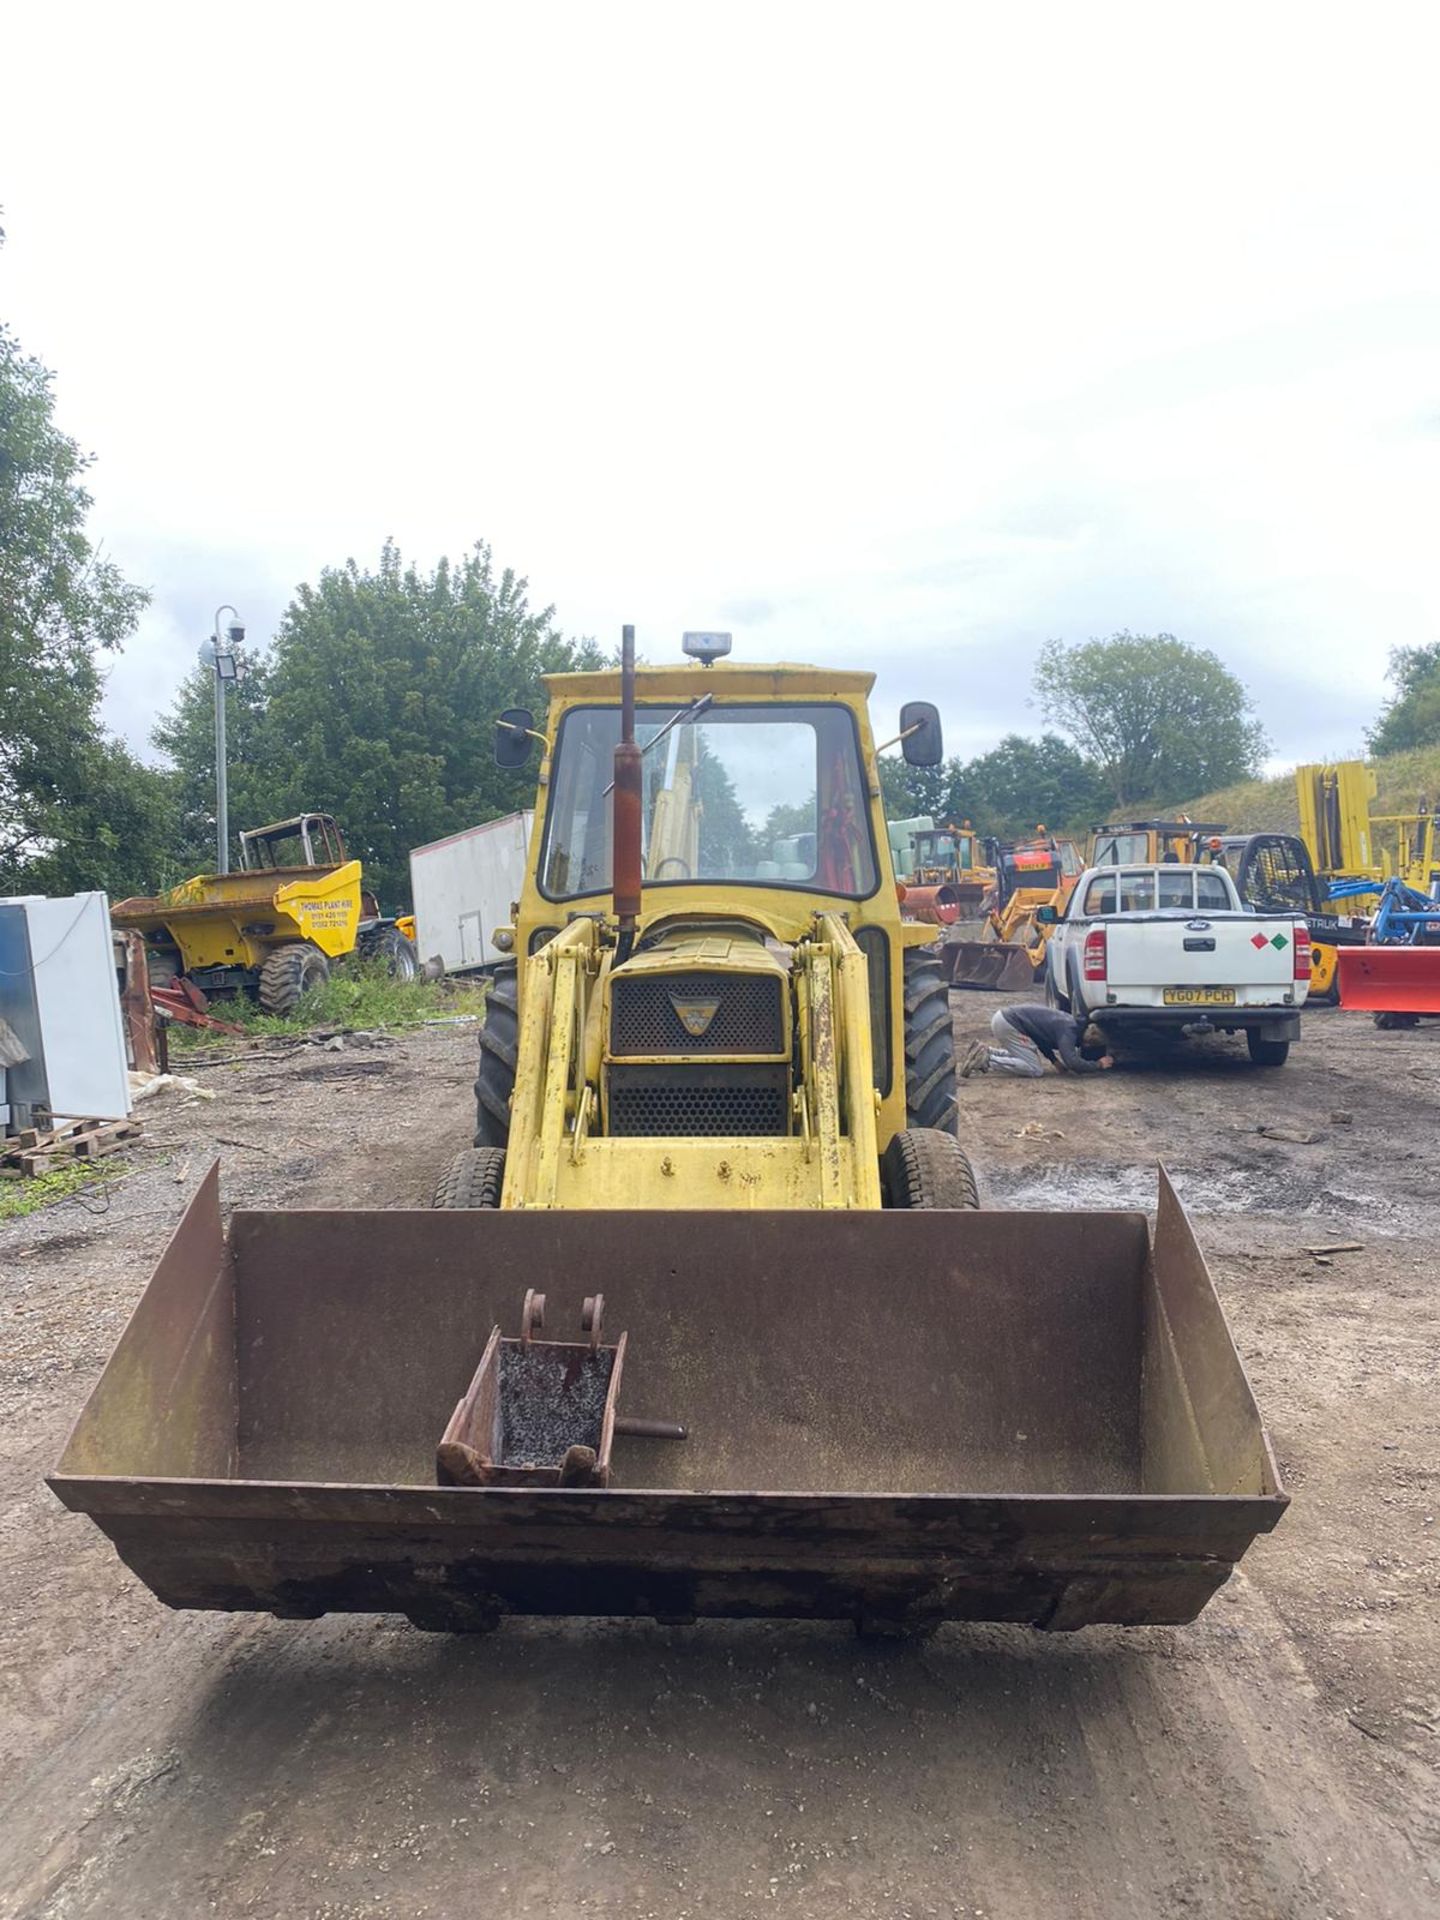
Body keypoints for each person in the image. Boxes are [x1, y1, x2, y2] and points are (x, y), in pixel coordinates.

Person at [960, 1004, 1115, 1078]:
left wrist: (1054, 1061)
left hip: (1005, 1018)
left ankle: (987, 1051)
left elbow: (1042, 1040)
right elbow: (1072, 1062)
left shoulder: (1070, 1023)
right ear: (1087, 1042)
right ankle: (987, 1060)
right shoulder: (1069, 1032)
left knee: (1027, 1053)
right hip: (1010, 1023)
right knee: (1035, 1069)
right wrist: (1098, 1064)